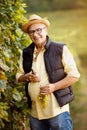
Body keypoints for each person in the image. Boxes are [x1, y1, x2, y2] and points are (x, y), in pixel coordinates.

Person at [16, 14, 80, 130]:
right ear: (29, 35)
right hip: (35, 114)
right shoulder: (25, 53)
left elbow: (74, 75)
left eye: (39, 30)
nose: (35, 34)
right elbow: (18, 76)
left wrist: (54, 87)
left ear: (46, 30)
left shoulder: (60, 49)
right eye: (31, 32)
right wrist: (27, 77)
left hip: (58, 112)